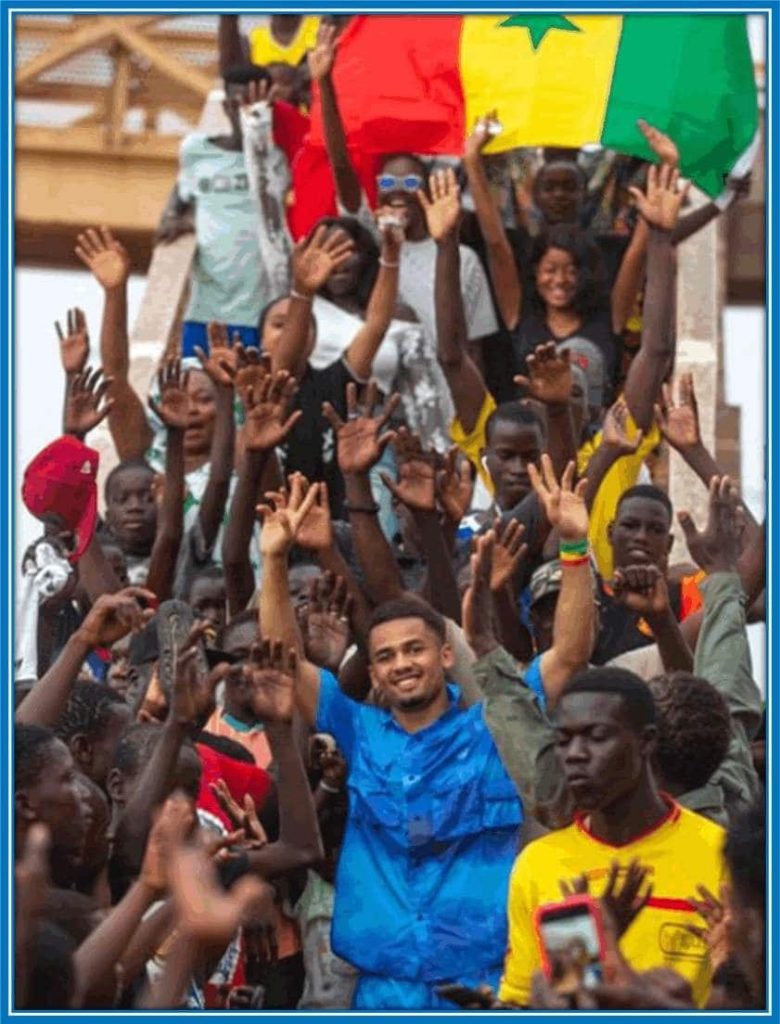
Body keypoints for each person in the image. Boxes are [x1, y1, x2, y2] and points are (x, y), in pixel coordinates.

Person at [258, 475, 524, 1009]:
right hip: (383, 992)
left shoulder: (496, 730)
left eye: (414, 650)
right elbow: (283, 660)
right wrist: (274, 560)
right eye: (385, 656)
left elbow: (566, 658)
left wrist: (566, 552)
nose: (402, 664)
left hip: (481, 987)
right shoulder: (359, 729)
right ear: (374, 671)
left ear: (445, 656)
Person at [498, 667, 728, 1008]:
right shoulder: (539, 864)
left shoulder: (721, 853)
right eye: (563, 740)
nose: (575, 753)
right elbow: (529, 1004)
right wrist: (585, 948)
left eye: (597, 735)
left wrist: (732, 965)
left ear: (646, 741)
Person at [154, 63, 308, 356]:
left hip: (259, 310)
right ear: (225, 104)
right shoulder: (195, 150)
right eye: (239, 102)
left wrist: (259, 124)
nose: (245, 109)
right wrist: (173, 221)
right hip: (205, 306)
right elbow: (176, 204)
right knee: (198, 387)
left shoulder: (278, 160)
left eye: (255, 103)